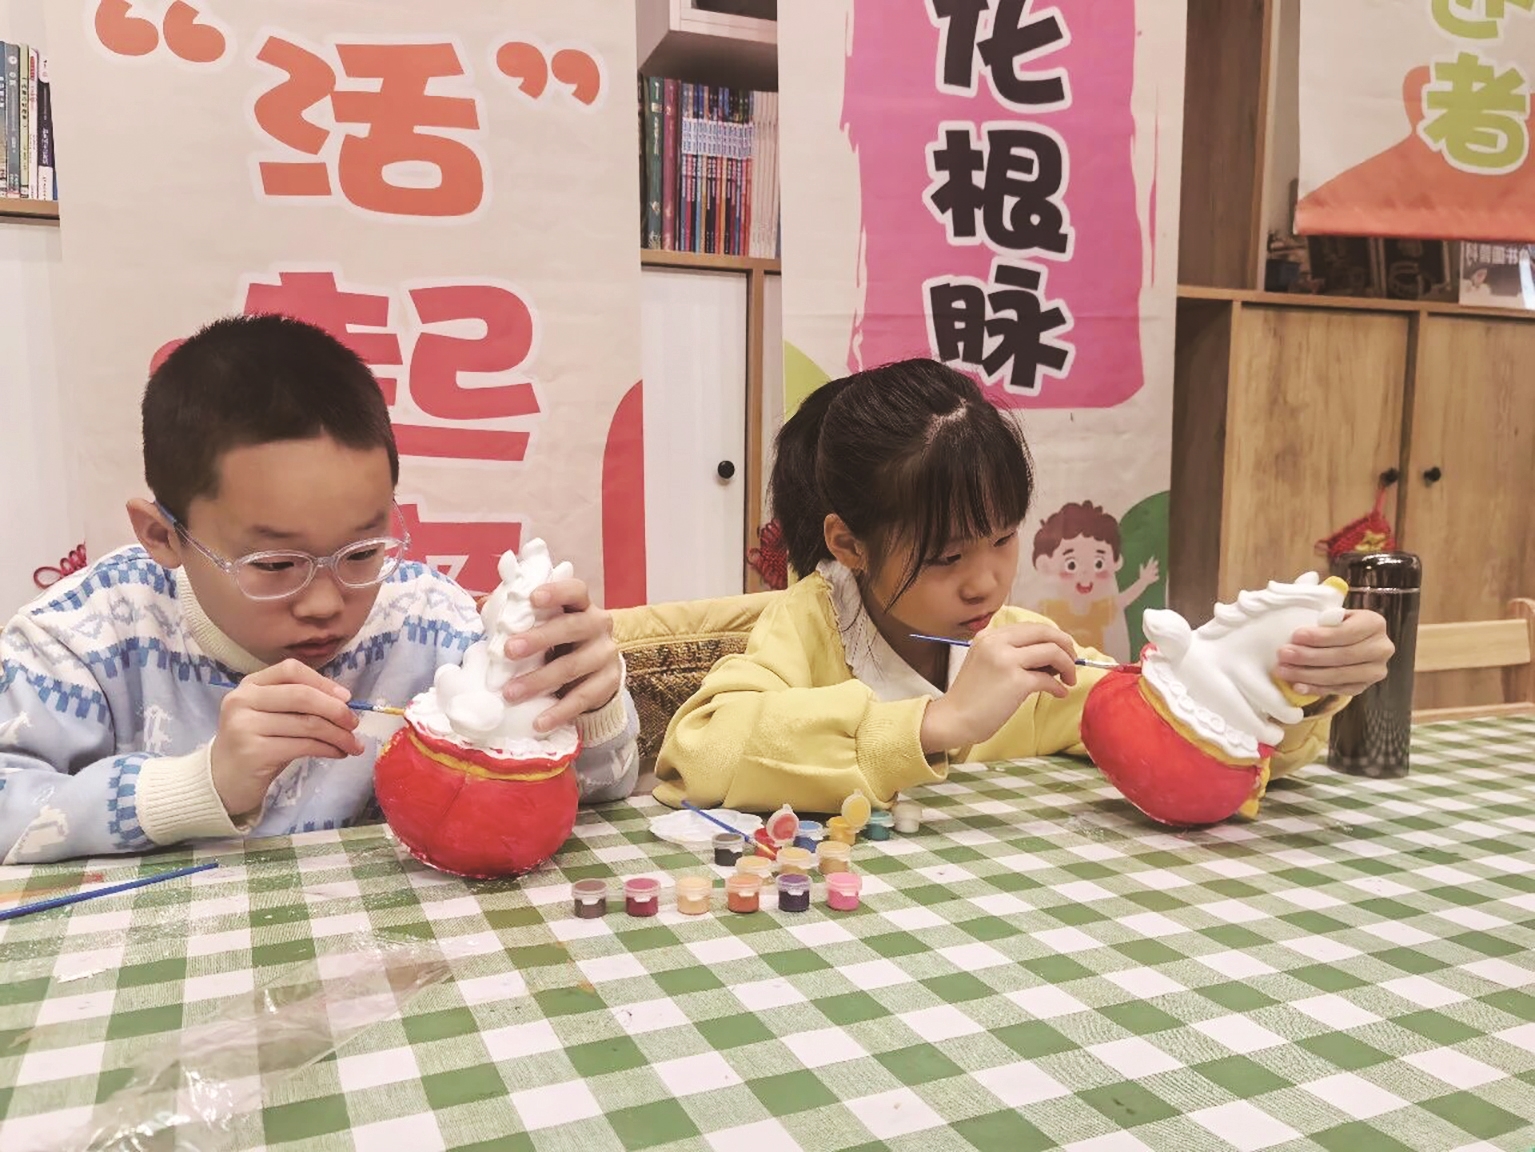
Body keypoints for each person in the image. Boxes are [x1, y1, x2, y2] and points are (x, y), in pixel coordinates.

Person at [0, 314, 637, 864]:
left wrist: (584, 703)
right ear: (163, 536)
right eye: (276, 563)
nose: (327, 603)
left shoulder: (427, 621)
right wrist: (200, 785)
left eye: (361, 552)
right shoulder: (80, 639)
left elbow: (602, 792)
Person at [653, 359, 1392, 814]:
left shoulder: (1021, 651)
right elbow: (700, 750)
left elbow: (1181, 739)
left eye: (1003, 539)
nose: (985, 584)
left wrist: (1288, 685)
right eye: (946, 557)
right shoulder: (812, 623)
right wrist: (937, 723)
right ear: (849, 544)